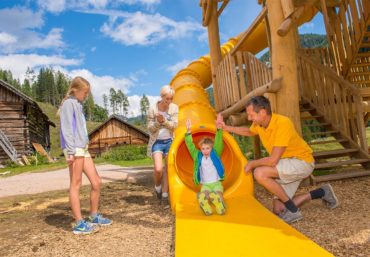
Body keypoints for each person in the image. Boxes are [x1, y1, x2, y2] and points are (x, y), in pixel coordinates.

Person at [217, 96, 339, 223]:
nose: (249, 118)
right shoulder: (259, 124)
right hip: (286, 164)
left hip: (302, 162)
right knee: (279, 209)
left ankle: (293, 211)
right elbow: (249, 131)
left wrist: (252, 163)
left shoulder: (282, 123)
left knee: (260, 173)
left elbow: (272, 161)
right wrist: (227, 128)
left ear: (263, 112)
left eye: (251, 114)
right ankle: (322, 192)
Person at [59, 76, 112, 234]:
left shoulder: (78, 104)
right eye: (85, 93)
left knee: (96, 182)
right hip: (74, 148)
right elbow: (66, 129)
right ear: (76, 90)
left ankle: (93, 215)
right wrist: (70, 152)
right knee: (76, 184)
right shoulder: (69, 104)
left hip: (82, 148)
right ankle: (79, 223)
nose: (86, 96)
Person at [184, 115, 226, 215]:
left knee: (219, 195)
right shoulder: (198, 156)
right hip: (205, 184)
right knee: (204, 195)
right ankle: (206, 206)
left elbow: (219, 142)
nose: (205, 151)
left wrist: (219, 129)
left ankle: (221, 207)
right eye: (203, 148)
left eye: (208, 148)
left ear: (211, 148)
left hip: (216, 183)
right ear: (200, 149)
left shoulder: (215, 154)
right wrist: (188, 132)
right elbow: (190, 146)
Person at [147, 85, 178, 209]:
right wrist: (157, 122)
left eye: (171, 99)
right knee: (158, 169)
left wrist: (164, 121)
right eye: (167, 99)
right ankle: (157, 187)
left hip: (169, 141)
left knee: (168, 169)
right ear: (162, 97)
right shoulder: (152, 109)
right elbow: (149, 128)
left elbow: (174, 126)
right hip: (157, 142)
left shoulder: (174, 107)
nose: (169, 102)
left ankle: (165, 195)